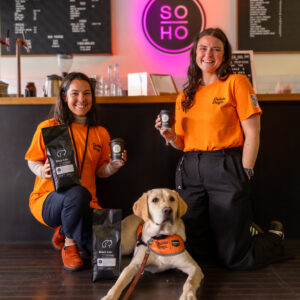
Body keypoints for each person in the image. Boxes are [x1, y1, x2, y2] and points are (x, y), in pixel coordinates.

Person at [155, 27, 286, 270]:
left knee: (233, 258)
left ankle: (273, 239)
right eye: (203, 48)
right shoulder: (185, 95)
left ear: (224, 56)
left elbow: (253, 133)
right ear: (195, 53)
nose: (209, 54)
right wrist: (170, 136)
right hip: (190, 168)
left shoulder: (236, 83)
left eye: (216, 49)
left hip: (226, 165)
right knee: (196, 249)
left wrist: (246, 172)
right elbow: (182, 143)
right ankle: (245, 232)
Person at [25, 72, 127, 271]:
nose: (82, 99)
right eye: (75, 93)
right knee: (77, 193)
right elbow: (31, 160)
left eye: (87, 93)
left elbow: (100, 172)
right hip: (48, 200)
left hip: (87, 205)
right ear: (64, 96)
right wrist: (42, 171)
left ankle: (66, 230)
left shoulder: (100, 133)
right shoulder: (49, 127)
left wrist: (113, 167)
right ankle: (69, 242)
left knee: (104, 253)